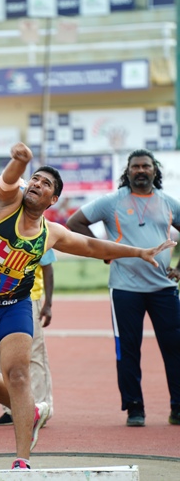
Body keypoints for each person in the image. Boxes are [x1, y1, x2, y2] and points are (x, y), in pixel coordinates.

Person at [0, 142, 176, 471]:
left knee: (17, 374)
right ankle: (31, 411)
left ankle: (22, 460)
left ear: (53, 200)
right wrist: (19, 161)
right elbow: (7, 179)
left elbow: (90, 245)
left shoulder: (52, 233)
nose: (37, 184)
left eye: (46, 184)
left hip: (13, 308)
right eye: (34, 179)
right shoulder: (2, 204)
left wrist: (139, 252)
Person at [67, 149, 180, 428]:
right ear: (127, 172)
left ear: (155, 170)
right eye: (135, 166)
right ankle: (134, 408)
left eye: (146, 166)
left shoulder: (167, 202)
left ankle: (178, 407)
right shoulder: (112, 201)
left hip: (164, 288)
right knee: (128, 349)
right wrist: (102, 252)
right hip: (125, 288)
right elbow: (74, 223)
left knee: (175, 348)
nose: (141, 170)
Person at [0, 248, 56, 426]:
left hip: (30, 298)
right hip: (0, 299)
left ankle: (42, 407)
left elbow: (47, 266)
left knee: (34, 354)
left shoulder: (37, 230)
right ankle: (11, 408)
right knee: (3, 355)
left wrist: (48, 304)